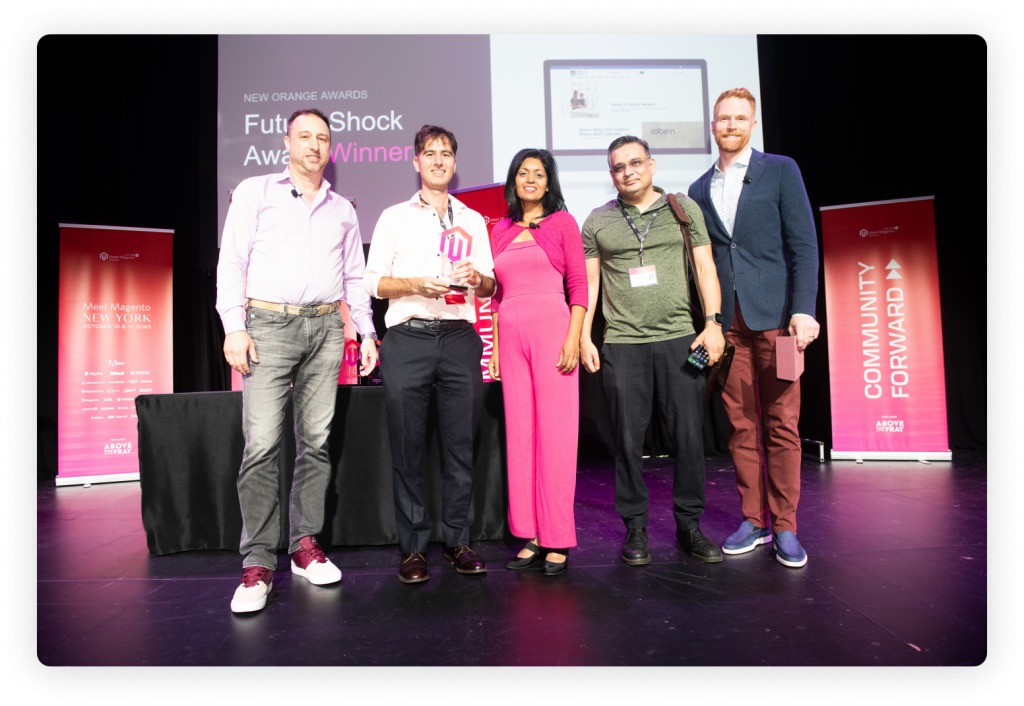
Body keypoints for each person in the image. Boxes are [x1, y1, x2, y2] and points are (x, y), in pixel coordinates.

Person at [217, 108, 379, 613]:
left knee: (316, 443)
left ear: (331, 147)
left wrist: (367, 331)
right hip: (267, 325)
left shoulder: (343, 209)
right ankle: (258, 562)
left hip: (326, 328)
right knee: (262, 445)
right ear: (286, 142)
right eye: (304, 136)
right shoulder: (255, 192)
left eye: (322, 138)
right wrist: (234, 326)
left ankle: (304, 546)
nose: (313, 145)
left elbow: (354, 277)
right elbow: (232, 261)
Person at [688, 88, 819, 568]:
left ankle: (785, 526)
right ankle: (754, 520)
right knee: (741, 427)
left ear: (752, 124)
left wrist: (803, 309)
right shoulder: (698, 189)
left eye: (740, 118)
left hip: (778, 321)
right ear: (713, 125)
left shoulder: (781, 170)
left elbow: (803, 245)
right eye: (723, 118)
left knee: (782, 424)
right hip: (728, 328)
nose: (731, 125)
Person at [580, 136, 725, 566]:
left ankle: (689, 526)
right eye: (618, 167)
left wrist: (713, 324)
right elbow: (590, 284)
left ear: (652, 164)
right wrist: (585, 336)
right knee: (627, 440)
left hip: (681, 339)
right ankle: (636, 527)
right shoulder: (597, 221)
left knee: (688, 437)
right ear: (611, 174)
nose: (628, 172)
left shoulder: (682, 209)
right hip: (623, 343)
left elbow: (705, 267)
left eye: (635, 163)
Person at [363, 125, 496, 584]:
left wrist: (477, 278)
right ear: (416, 161)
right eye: (430, 153)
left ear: (455, 164)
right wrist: (418, 284)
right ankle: (414, 549)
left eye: (446, 154)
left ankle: (459, 541)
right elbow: (374, 282)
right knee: (408, 448)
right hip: (408, 339)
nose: (438, 160)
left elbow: (491, 285)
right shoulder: (393, 217)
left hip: (460, 338)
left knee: (460, 448)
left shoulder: (472, 219)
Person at [487, 149, 587, 576]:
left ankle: (557, 537)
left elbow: (579, 285)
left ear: (549, 183)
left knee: (556, 435)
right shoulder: (500, 230)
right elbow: (495, 297)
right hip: (511, 338)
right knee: (520, 435)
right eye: (523, 173)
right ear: (514, 180)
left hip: (553, 332)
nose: (530, 179)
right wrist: (493, 349)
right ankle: (530, 533)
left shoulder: (563, 223)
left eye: (539, 174)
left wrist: (573, 338)